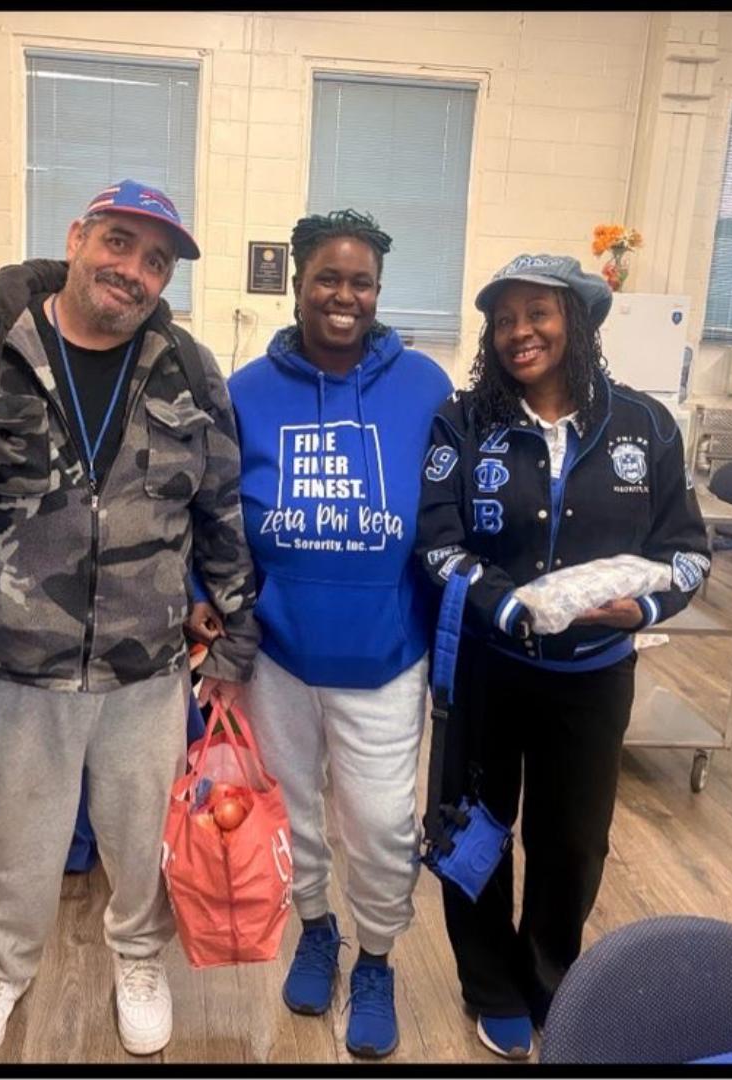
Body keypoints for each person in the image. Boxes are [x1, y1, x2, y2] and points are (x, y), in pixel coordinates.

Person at [0, 179, 259, 1063]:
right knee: (17, 841)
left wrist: (236, 626)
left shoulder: (189, 367)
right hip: (10, 659)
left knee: (140, 840)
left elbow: (220, 507)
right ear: (76, 238)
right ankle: (3, 969)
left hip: (147, 665)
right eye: (118, 243)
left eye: (157, 261)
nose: (134, 271)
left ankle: (138, 961)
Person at [414, 254, 710, 1059]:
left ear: (577, 322)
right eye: (504, 319)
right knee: (474, 833)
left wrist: (644, 607)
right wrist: (508, 604)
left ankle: (549, 977)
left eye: (538, 314)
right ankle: (490, 985)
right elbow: (436, 544)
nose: (520, 332)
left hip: (593, 677)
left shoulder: (645, 426)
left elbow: (687, 553)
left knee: (572, 844)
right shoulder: (461, 423)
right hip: (486, 669)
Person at [190, 209, 451, 1058]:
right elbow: (209, 508)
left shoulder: (425, 387)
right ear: (297, 284)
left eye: (361, 282)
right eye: (327, 279)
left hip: (385, 654)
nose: (345, 295)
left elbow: (449, 513)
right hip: (278, 653)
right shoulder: (246, 391)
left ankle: (375, 958)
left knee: (380, 824)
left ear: (378, 290)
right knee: (292, 812)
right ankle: (314, 928)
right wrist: (204, 601)